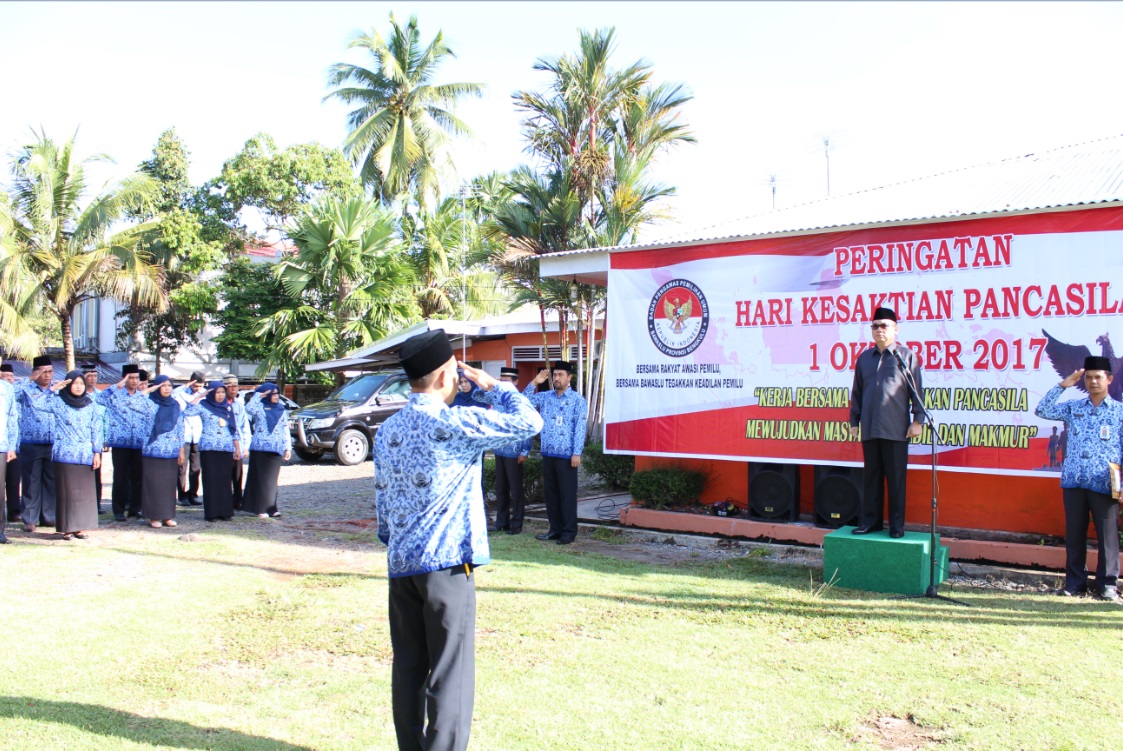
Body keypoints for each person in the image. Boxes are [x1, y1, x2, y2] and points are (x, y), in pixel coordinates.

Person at [374, 330, 542, 751]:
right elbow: (529, 423)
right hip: (447, 567)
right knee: (450, 676)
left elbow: (382, 501)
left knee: (409, 669)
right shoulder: (455, 422)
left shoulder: (387, 429)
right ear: (448, 373)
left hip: (401, 567)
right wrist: (492, 385)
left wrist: (395, 543)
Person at [1035, 357, 1121, 600]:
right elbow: (1042, 410)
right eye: (1089, 377)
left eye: (1098, 377)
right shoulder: (1074, 407)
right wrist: (1063, 385)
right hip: (1074, 479)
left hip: (1104, 482)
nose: (1093, 381)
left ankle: (1107, 585)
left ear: (1109, 380)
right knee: (1074, 535)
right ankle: (1075, 584)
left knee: (1107, 536)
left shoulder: (1119, 412)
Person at [848, 307, 925, 538]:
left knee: (896, 480)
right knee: (871, 477)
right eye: (875, 326)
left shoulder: (905, 357)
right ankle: (871, 522)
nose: (879, 330)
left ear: (895, 329)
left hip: (896, 430)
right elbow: (857, 392)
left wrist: (918, 421)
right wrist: (854, 420)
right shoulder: (864, 359)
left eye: (884, 326)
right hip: (870, 428)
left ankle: (896, 526)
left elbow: (917, 392)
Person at [116, 375, 202, 528]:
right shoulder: (149, 403)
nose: (167, 388)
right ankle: (153, 516)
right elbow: (129, 402)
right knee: (153, 484)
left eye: (169, 385)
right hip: (153, 449)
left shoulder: (175, 404)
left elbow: (180, 427)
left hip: (170, 450)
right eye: (163, 386)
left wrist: (181, 450)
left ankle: (167, 515)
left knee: (168, 485)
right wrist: (147, 391)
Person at [25, 371, 102, 540]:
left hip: (84, 454)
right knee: (68, 493)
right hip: (65, 454)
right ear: (68, 385)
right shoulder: (59, 402)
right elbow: (36, 404)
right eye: (75, 383)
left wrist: (97, 452)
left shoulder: (90, 404)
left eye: (81, 383)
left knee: (83, 493)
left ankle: (80, 527)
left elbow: (96, 428)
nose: (79, 386)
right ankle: (67, 528)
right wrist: (51, 390)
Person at [524, 361, 588, 545]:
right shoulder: (546, 397)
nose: (557, 378)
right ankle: (554, 529)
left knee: (567, 495)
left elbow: (580, 428)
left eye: (561, 375)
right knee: (551, 494)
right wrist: (534, 383)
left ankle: (568, 532)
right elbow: (524, 402)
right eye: (555, 375)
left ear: (569, 377)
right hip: (548, 453)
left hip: (567, 456)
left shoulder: (577, 400)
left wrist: (577, 453)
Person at [475, 367, 533, 534]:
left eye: (507, 381)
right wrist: (486, 384)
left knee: (515, 490)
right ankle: (502, 522)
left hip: (515, 451)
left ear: (516, 382)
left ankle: (516, 524)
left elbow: (527, 426)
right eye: (501, 380)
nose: (503, 384)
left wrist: (525, 450)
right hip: (500, 449)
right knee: (501, 489)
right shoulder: (497, 396)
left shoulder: (519, 399)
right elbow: (477, 396)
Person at [185, 381, 242, 522]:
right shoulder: (204, 406)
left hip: (226, 447)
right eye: (218, 392)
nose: (221, 395)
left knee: (224, 480)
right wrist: (200, 396)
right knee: (211, 479)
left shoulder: (228, 408)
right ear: (211, 393)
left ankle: (225, 511)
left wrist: (237, 448)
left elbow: (233, 429)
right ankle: (212, 513)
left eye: (223, 392)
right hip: (209, 447)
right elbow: (187, 411)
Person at [15, 355, 57, 532]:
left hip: (52, 443)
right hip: (31, 442)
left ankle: (48, 517)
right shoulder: (25, 389)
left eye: (50, 372)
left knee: (50, 481)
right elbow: (11, 393)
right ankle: (30, 519)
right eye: (43, 372)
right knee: (31, 482)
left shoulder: (58, 390)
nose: (47, 375)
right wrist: (29, 379)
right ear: (35, 372)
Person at [100, 364, 146, 521]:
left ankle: (135, 509)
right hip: (120, 443)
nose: (134, 381)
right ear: (124, 378)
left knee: (137, 477)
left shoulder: (142, 397)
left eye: (136, 378)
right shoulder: (115, 395)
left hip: (138, 443)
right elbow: (98, 399)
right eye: (130, 378)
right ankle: (119, 510)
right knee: (120, 477)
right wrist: (116, 386)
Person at [243, 383, 291, 518]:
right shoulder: (259, 406)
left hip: (276, 448)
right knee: (261, 479)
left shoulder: (281, 408)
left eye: (277, 393)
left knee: (272, 480)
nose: (276, 396)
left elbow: (285, 428)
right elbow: (249, 409)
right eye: (273, 393)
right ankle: (260, 508)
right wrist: (258, 395)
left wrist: (287, 447)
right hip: (260, 448)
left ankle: (271, 507)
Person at [174, 372, 205, 507]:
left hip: (198, 435)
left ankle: (193, 494)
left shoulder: (204, 394)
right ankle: (182, 495)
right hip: (184, 434)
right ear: (191, 382)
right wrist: (185, 386)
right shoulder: (180, 392)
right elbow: (174, 396)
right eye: (195, 385)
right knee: (182, 467)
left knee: (196, 467)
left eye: (200, 386)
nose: (197, 388)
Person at [82, 363, 107, 512]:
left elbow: (105, 416)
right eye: (89, 376)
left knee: (96, 472)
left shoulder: (101, 395)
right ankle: (85, 504)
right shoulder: (78, 393)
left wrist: (105, 436)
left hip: (96, 438)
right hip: (82, 438)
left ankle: (96, 505)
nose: (92, 379)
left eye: (95, 376)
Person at [223, 374, 251, 510]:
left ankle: (238, 499)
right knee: (224, 474)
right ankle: (225, 500)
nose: (234, 389)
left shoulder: (239, 405)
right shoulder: (219, 404)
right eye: (230, 386)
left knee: (238, 474)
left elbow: (245, 427)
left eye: (236, 386)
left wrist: (245, 447)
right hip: (223, 445)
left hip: (238, 444)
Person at [0, 366, 18, 544]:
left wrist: (12, 446)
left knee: (0, 491)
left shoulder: (6, 389)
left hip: (1, 445)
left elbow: (12, 418)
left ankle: (0, 530)